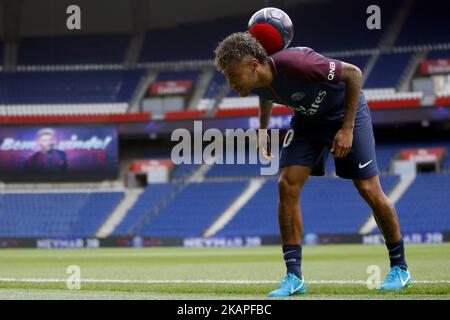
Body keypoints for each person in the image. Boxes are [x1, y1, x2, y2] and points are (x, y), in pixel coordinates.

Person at [214, 32, 411, 297]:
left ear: (253, 65)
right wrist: (262, 132)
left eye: (233, 76)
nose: (230, 83)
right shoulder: (255, 80)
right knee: (286, 184)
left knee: (368, 189)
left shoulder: (300, 64)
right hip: (307, 122)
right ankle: (294, 277)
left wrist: (347, 129)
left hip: (344, 115)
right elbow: (266, 94)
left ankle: (400, 268)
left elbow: (353, 74)